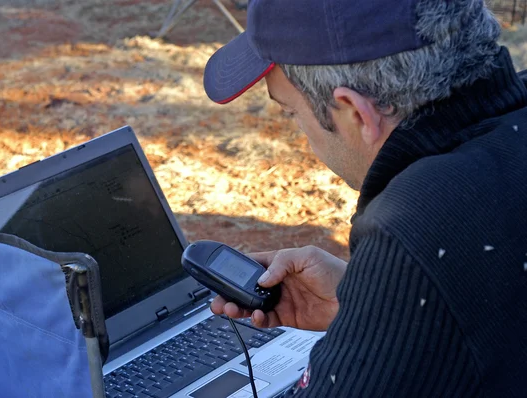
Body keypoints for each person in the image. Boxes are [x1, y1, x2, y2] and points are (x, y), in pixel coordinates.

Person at [202, 0, 527, 396]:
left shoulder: (414, 228)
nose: (302, 135)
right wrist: (369, 303)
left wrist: (393, 285)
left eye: (291, 113)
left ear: (357, 114)